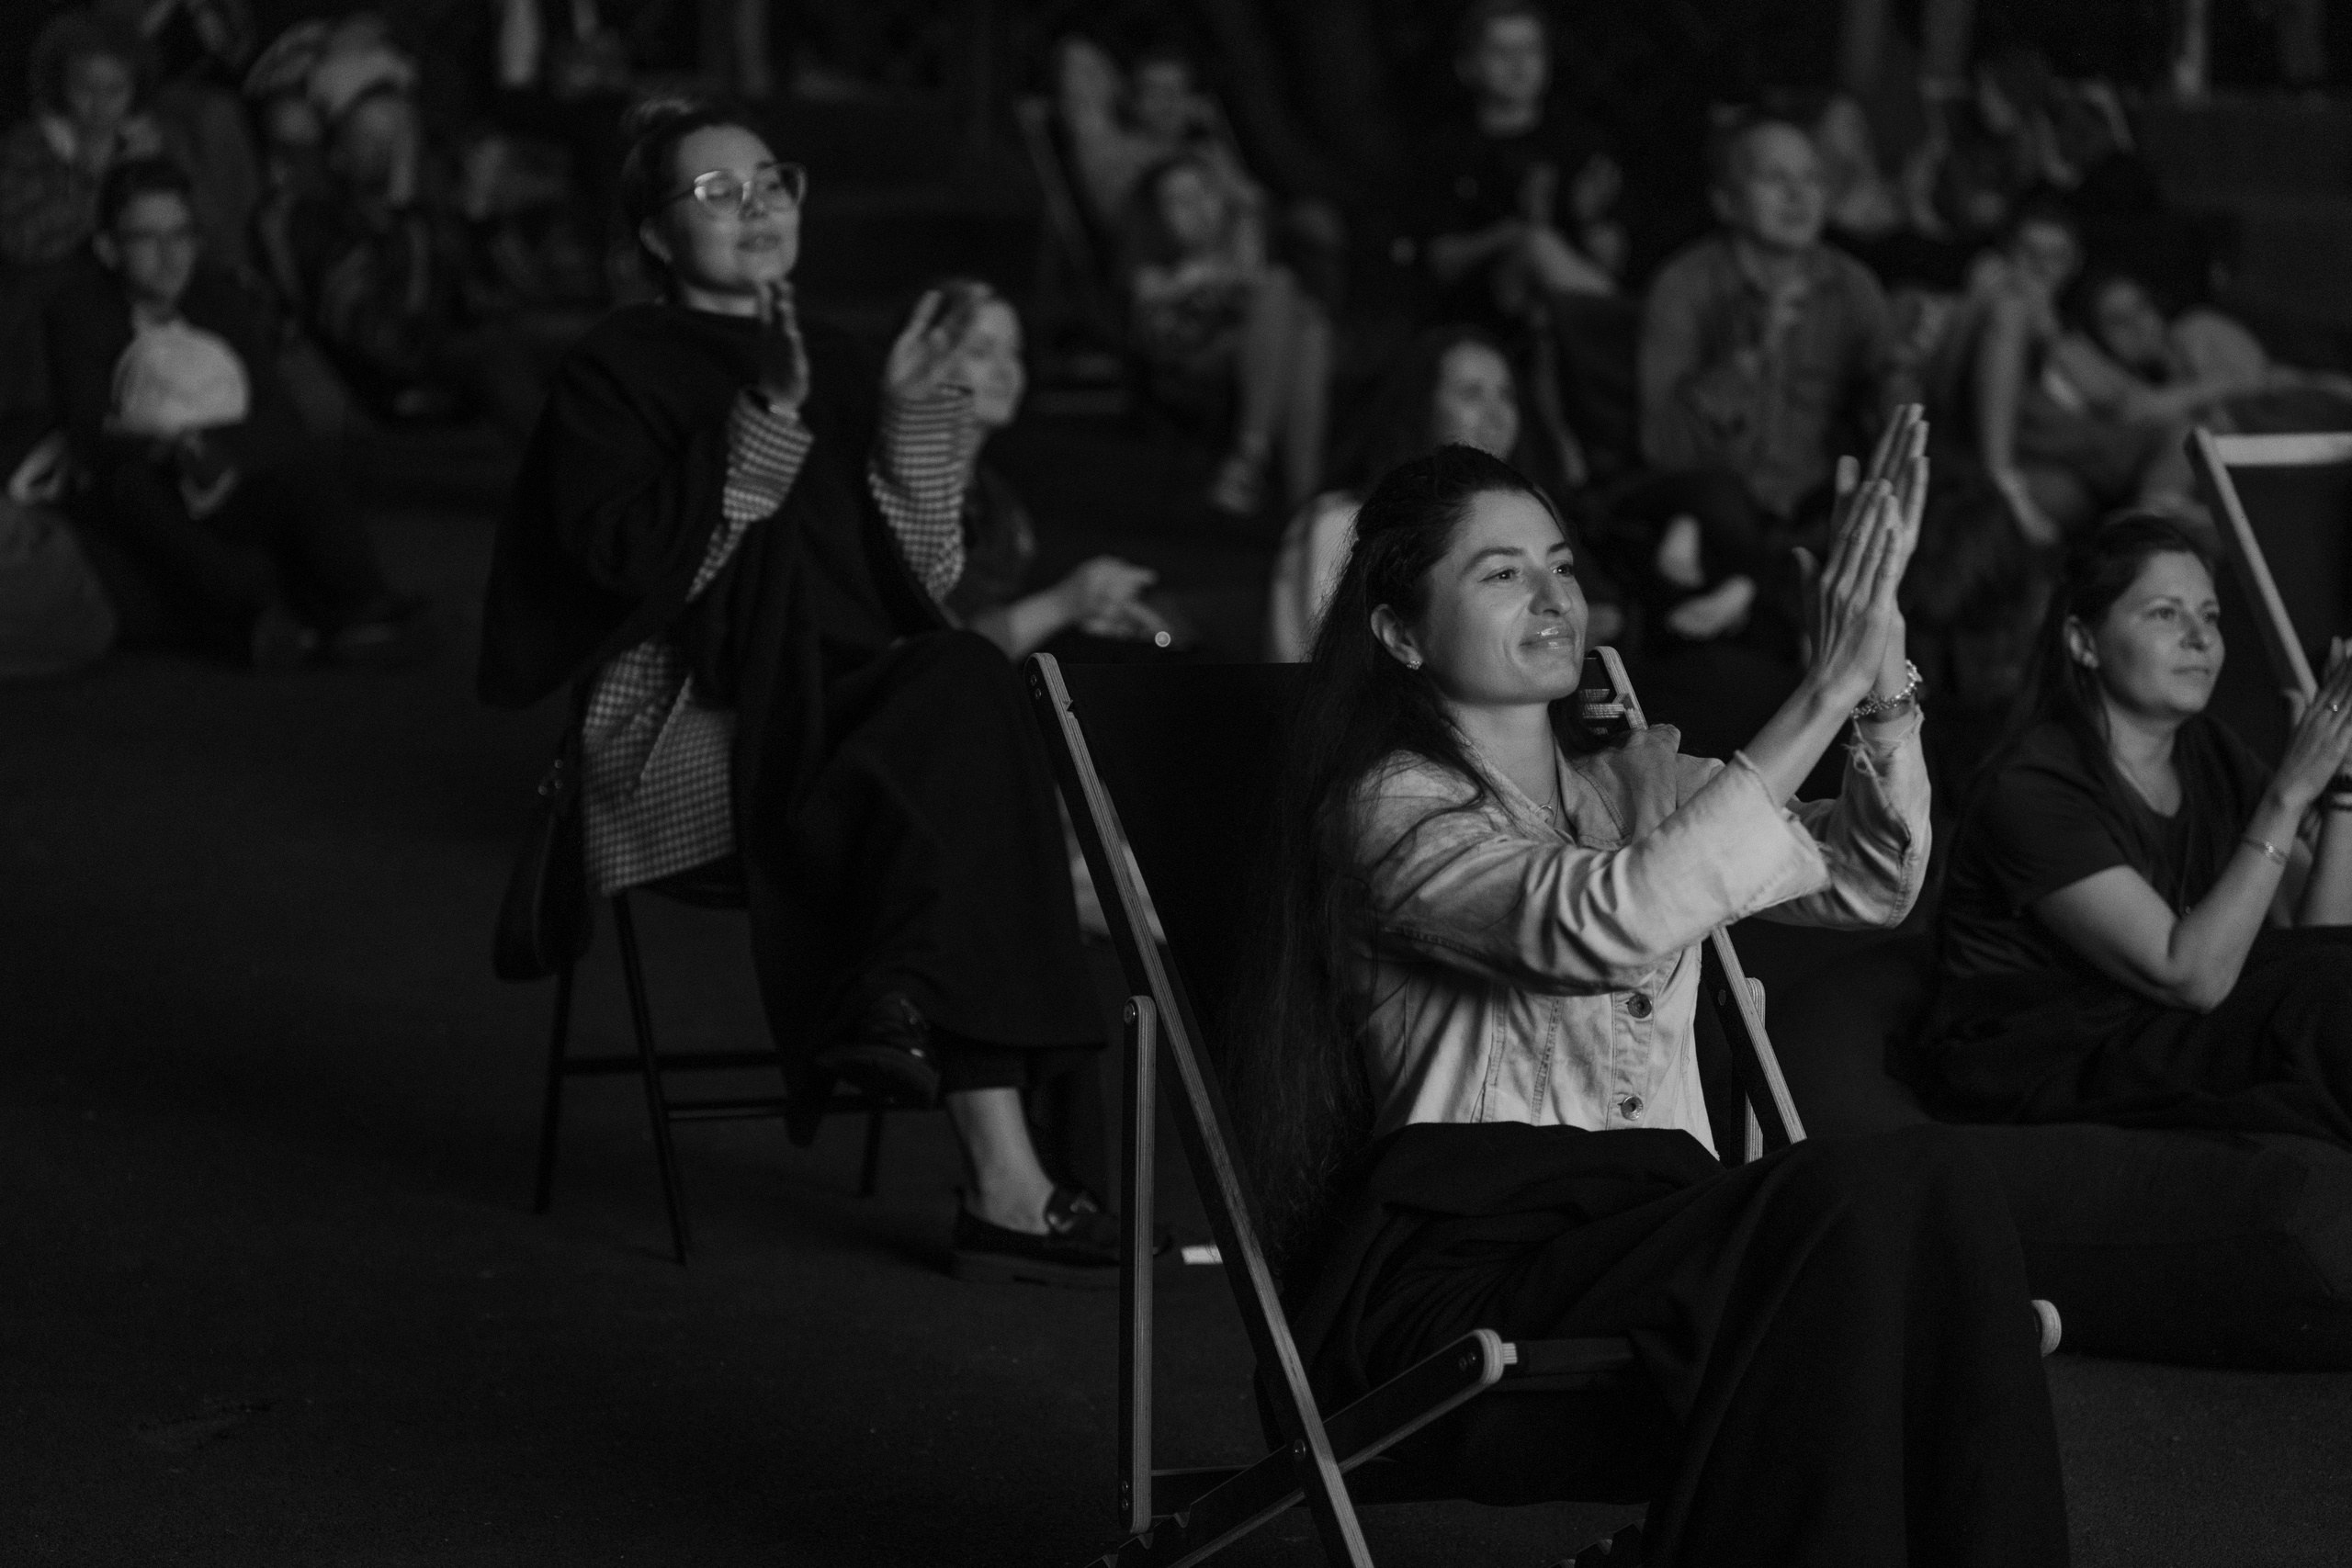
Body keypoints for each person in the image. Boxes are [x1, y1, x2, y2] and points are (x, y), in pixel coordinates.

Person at [1227, 420, 2070, 1562]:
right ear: (1400, 632)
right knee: (1868, 1227)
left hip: (1654, 1255)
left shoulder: (1638, 783)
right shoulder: (1387, 811)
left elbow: (1874, 878)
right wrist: (1814, 690)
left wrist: (1879, 690)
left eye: (1562, 566)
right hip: (1470, 1288)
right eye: (1501, 571)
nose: (1550, 597)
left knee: (1928, 1199)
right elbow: (1603, 921)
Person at [478, 101, 1119, 1287]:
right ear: (657, 239)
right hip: (683, 728)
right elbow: (636, 581)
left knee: (959, 679)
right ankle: (987, 1143)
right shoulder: (614, 370)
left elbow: (915, 578)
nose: (757, 204)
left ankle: (908, 1010)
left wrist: (923, 413)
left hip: (854, 721)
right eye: (716, 192)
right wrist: (764, 419)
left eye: (770, 180)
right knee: (962, 734)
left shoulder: (838, 346)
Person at [1916, 517, 2352, 1146]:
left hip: (2156, 1032)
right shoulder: (2030, 787)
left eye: (2210, 614)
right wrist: (2288, 796)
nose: (2201, 637)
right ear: (2083, 642)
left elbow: (2322, 945)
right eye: (2165, 615)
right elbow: (2188, 974)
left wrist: (2341, 789)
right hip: (2050, 1060)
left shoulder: (2209, 752)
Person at [45, 156, 415, 669]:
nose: (170, 256)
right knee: (128, 491)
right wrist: (175, 450)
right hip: (147, 480)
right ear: (109, 248)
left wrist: (219, 452)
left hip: (228, 464)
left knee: (303, 462)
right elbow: (89, 429)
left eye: (181, 236)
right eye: (147, 239)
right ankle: (259, 611)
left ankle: (361, 602)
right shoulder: (80, 310)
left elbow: (275, 410)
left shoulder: (217, 299)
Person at [1636, 115, 1910, 643]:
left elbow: (1896, 418)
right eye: (1774, 179)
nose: (1798, 196)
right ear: (1727, 201)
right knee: (1710, 502)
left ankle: (1753, 585)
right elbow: (1661, 444)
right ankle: (1768, 584)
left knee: (1887, 494)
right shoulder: (1684, 284)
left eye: (1811, 179)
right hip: (1716, 501)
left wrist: (1902, 368)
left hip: (1810, 504)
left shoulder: (1853, 286)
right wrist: (1750, 358)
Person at [1265, 324, 1624, 661]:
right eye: (1471, 394)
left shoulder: (1533, 510)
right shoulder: (1339, 522)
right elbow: (1321, 669)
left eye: (1506, 395)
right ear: (1421, 408)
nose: (1498, 415)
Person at [1402, 0, 1634, 473]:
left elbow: (1607, 261)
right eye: (1501, 51)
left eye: (1530, 50)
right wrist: (1513, 234)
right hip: (1472, 311)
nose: (1519, 65)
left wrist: (1591, 224)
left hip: (1562, 321)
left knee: (1548, 304)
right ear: (1468, 66)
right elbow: (1438, 259)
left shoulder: (1577, 141)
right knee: (1535, 251)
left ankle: (1570, 449)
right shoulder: (1445, 147)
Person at [1925, 201, 2198, 547]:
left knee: (2187, 433)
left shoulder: (2071, 337)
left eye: (2055, 256)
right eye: (2029, 252)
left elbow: (2128, 401)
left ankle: (2144, 540)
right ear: (2005, 253)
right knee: (2010, 310)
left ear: (2073, 264)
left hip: (2070, 464)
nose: (2040, 267)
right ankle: (2003, 482)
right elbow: (1940, 392)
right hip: (1985, 464)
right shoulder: (1986, 306)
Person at [928, 276, 1170, 660]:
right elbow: (932, 658)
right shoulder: (900, 494)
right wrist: (1062, 605)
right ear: (922, 360)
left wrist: (1084, 610)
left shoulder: (999, 504)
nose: (1006, 371)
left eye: (1015, 353)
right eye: (981, 352)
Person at [1120, 149, 1331, 516]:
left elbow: (1251, 280)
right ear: (1156, 215)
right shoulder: (1150, 264)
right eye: (1179, 201)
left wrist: (1244, 214)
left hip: (1249, 353)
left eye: (1204, 194)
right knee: (1288, 298)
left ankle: (1259, 470)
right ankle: (1300, 500)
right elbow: (1154, 314)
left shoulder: (1233, 245)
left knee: (1309, 332)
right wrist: (1197, 280)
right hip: (1188, 356)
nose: (1197, 208)